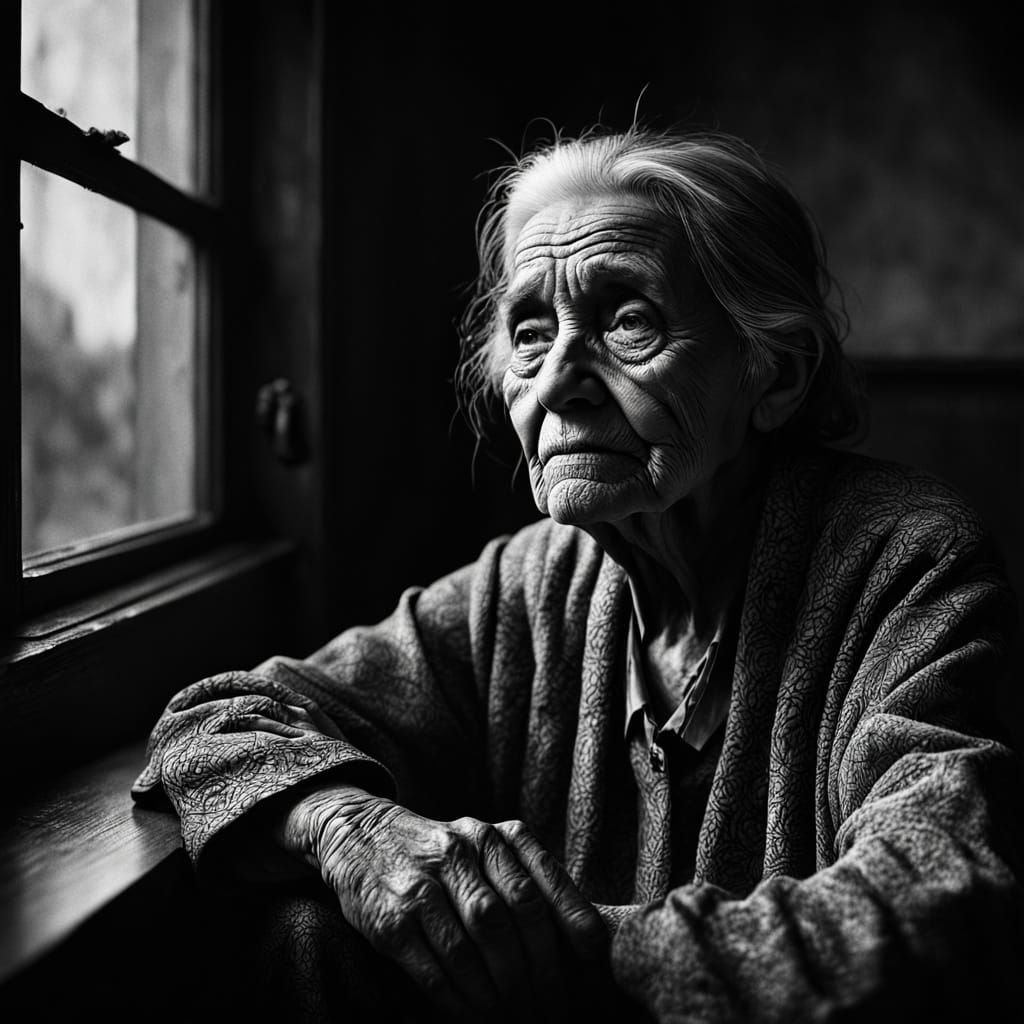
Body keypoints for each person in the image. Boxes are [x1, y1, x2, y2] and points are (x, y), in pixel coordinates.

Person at [133, 126, 1024, 1022]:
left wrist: (527, 948)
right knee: (306, 930)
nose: (560, 380)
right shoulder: (526, 585)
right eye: (528, 331)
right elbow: (213, 721)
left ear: (775, 374)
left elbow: (937, 900)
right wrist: (349, 830)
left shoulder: (907, 561)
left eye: (628, 319)